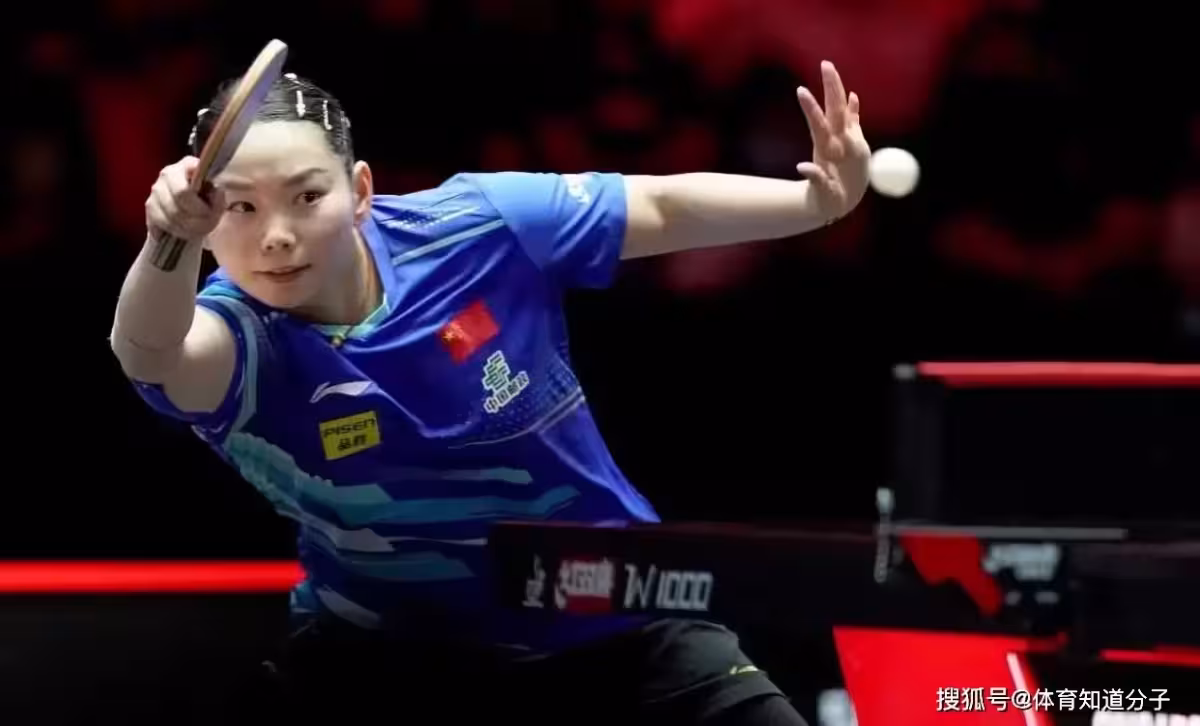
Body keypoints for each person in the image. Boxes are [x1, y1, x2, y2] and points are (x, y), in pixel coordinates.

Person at [110, 62, 869, 725]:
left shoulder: (476, 229)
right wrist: (166, 243)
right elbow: (149, 350)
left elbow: (658, 206)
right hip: (386, 659)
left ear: (361, 190)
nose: (276, 234)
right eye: (239, 207)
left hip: (613, 617)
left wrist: (816, 204)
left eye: (307, 196)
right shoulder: (240, 342)